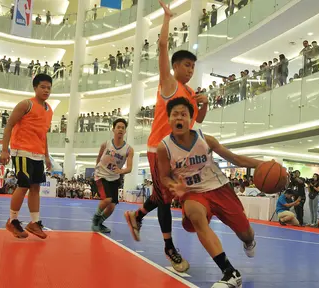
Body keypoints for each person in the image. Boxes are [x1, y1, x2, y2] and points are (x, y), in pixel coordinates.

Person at [124, 0, 208, 272]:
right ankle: (169, 248)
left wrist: (204, 104)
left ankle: (136, 216)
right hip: (158, 148)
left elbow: (197, 122)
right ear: (174, 67)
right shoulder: (170, 84)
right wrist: (167, 18)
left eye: (193, 67)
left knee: (164, 195)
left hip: (179, 151)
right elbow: (162, 46)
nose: (190, 70)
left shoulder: (190, 96)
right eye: (186, 65)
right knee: (166, 195)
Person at [157, 97, 258, 287]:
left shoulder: (205, 140)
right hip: (192, 192)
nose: (179, 117)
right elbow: (164, 177)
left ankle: (250, 241)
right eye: (175, 114)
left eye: (184, 114)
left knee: (246, 233)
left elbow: (236, 159)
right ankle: (230, 272)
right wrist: (174, 187)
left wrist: (263, 165)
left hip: (219, 188)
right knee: (196, 216)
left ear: (190, 119)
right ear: (169, 120)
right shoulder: (164, 148)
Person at [0, 74, 53, 239]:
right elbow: (9, 124)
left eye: (49, 88)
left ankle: (34, 222)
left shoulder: (49, 110)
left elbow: (44, 134)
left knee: (36, 187)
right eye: (43, 87)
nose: (46, 90)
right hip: (22, 150)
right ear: (35, 88)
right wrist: (4, 149)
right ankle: (13, 221)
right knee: (23, 185)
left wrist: (47, 155)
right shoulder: (26, 104)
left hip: (38, 154)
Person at [92, 118, 133, 233]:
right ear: (113, 129)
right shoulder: (106, 144)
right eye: (118, 127)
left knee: (112, 206)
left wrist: (121, 171)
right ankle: (95, 221)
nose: (120, 129)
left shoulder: (129, 149)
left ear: (125, 131)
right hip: (101, 175)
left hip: (114, 177)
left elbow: (129, 168)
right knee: (107, 199)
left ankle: (100, 223)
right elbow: (99, 156)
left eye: (123, 128)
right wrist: (96, 168)